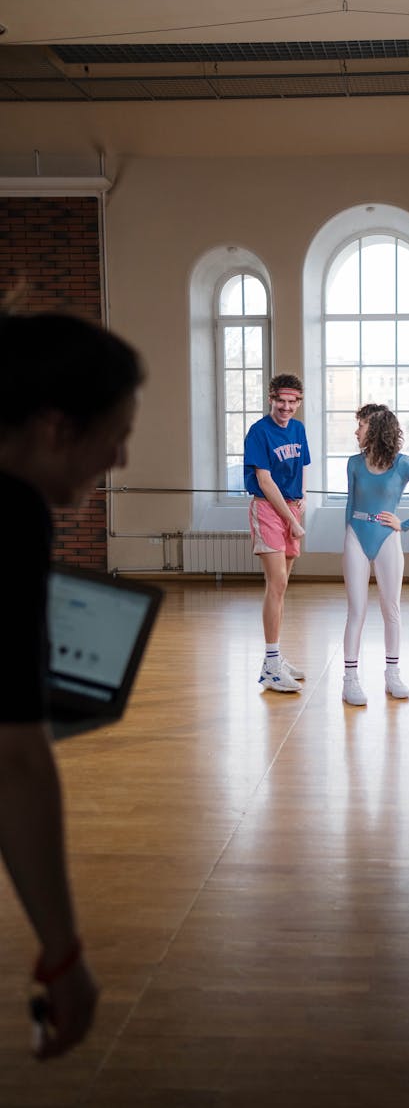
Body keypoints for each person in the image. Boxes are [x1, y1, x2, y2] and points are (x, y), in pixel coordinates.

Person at [0, 309, 144, 1059]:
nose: (119, 458)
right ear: (56, 427)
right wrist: (62, 956)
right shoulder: (13, 513)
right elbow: (15, 760)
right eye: (114, 434)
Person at [342, 403, 409, 706]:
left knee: (391, 609)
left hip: (388, 539)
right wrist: (347, 537)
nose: (356, 430)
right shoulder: (354, 464)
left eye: (361, 425)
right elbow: (350, 505)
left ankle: (392, 673)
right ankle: (350, 679)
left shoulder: (404, 465)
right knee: (356, 610)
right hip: (356, 537)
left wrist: (404, 525)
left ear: (375, 428)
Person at [244, 373, 310, 693]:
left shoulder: (298, 429)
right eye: (280, 401)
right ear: (271, 398)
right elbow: (265, 481)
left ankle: (277, 656)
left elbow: (303, 467)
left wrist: (303, 501)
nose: (285, 407)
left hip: (292, 507)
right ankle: (270, 666)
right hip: (269, 508)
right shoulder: (259, 432)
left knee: (282, 588)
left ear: (298, 402)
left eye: (291, 402)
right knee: (277, 583)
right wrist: (291, 519)